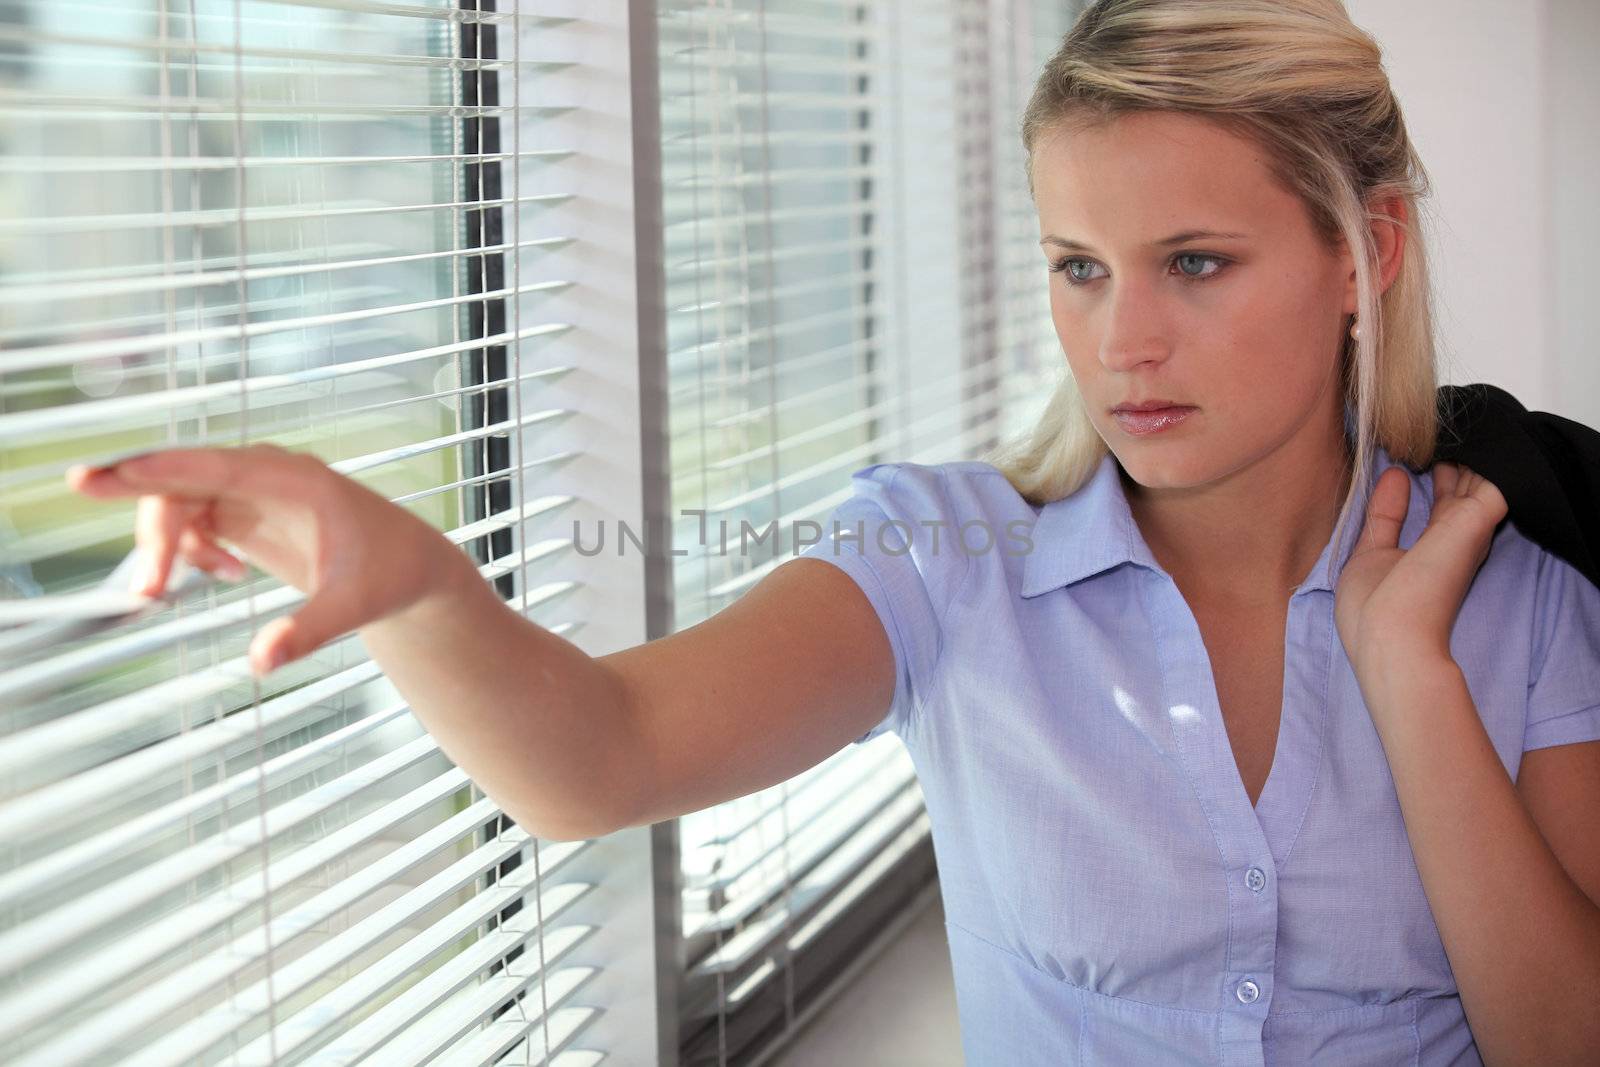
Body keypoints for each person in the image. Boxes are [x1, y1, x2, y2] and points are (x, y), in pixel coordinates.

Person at [65, 1, 1600, 1064]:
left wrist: (1409, 679)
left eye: (1194, 262)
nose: (1120, 339)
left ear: (1363, 254)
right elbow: (594, 760)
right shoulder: (942, 560)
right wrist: (406, 579)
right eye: (1079, 266)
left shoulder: (1518, 590)